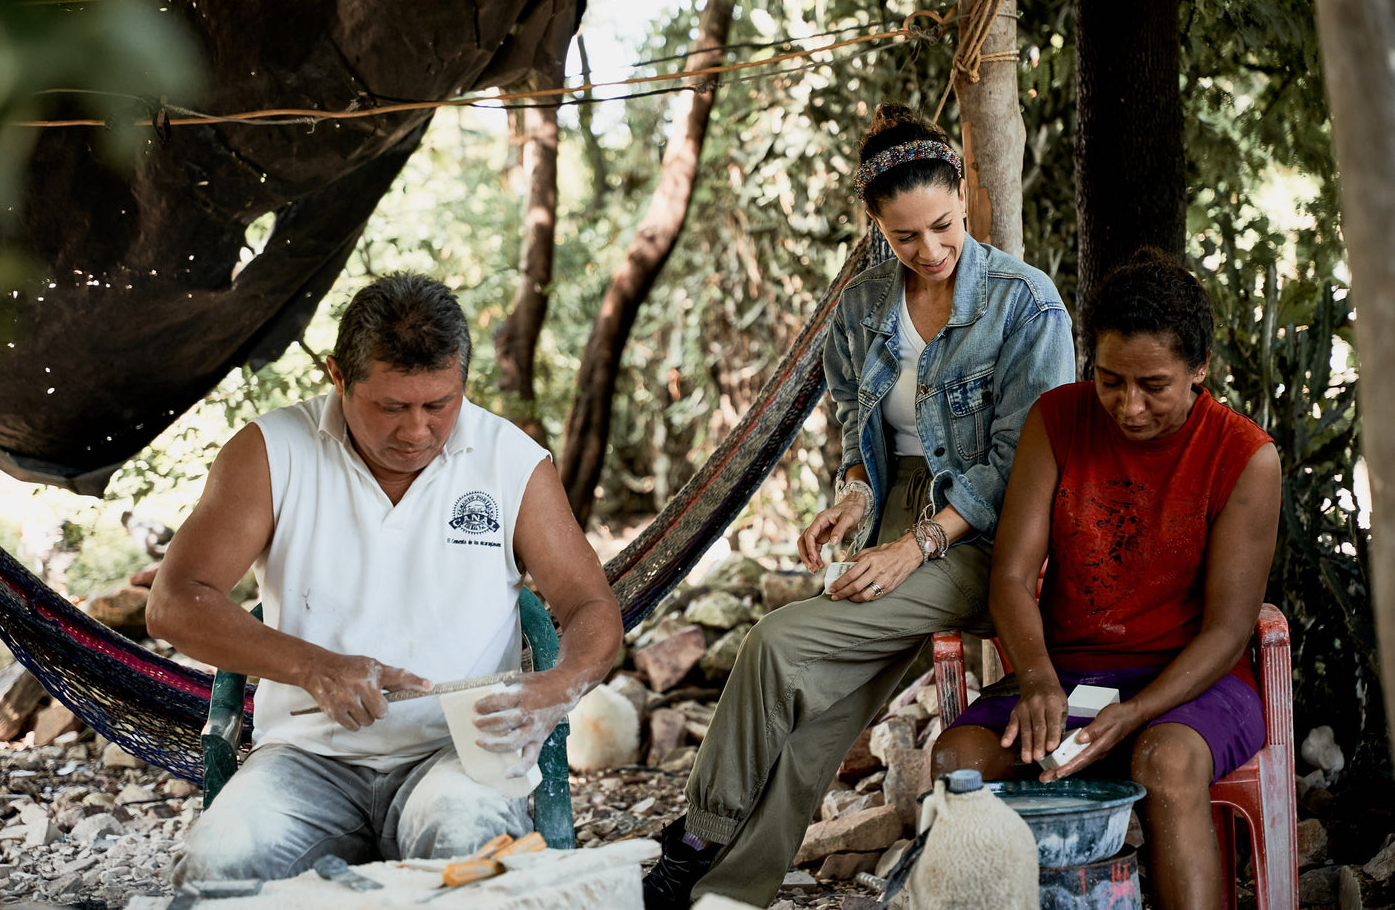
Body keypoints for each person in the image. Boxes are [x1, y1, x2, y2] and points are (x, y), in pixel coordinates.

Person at [643, 103, 1075, 909]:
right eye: (904, 236)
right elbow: (858, 428)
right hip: (897, 516)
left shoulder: (1025, 303)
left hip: (988, 530)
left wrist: (914, 545)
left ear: (961, 195)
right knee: (816, 726)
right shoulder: (861, 306)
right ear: (874, 225)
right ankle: (727, 895)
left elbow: (1022, 461)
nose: (931, 249)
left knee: (775, 642)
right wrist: (851, 495)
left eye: (943, 224)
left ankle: (695, 835)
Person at [146, 273, 623, 882]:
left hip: (457, 753)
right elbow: (174, 602)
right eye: (392, 406)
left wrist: (561, 684)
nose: (416, 431)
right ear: (337, 375)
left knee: (470, 858)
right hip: (306, 756)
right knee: (217, 867)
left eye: (438, 405)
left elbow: (590, 605)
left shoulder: (510, 460)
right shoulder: (272, 451)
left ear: (463, 381)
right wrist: (315, 666)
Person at [931, 249, 1281, 910]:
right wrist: (1035, 676)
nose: (1128, 405)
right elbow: (1009, 573)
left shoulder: (1243, 455)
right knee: (959, 764)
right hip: (1067, 676)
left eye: (1152, 384)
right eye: (1110, 379)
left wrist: (1137, 712)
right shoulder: (1056, 418)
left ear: (1198, 368)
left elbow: (1229, 630)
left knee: (1166, 763)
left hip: (1191, 681)